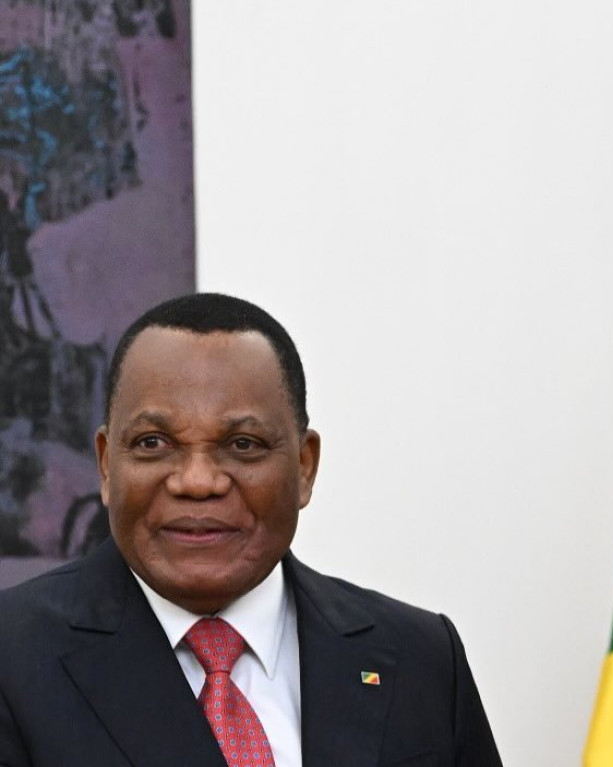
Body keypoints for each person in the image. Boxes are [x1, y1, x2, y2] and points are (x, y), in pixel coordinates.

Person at [0, 293, 504, 766]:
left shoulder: (422, 658)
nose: (198, 482)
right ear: (107, 465)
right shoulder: (13, 658)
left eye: (243, 444)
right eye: (154, 443)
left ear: (304, 467)